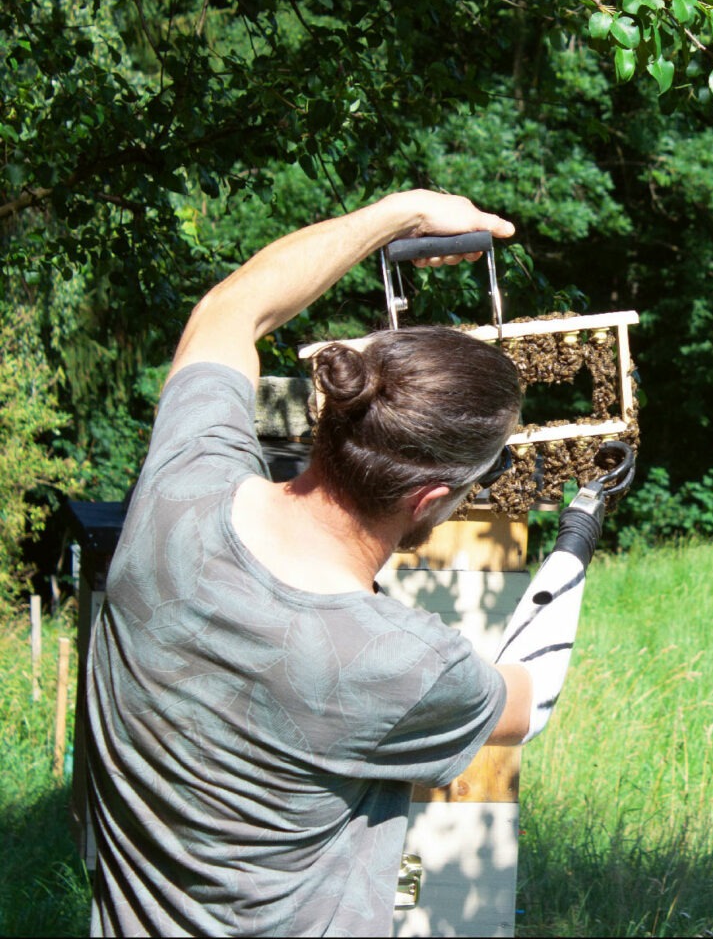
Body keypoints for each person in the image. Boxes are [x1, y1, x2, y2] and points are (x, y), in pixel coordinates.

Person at [85, 190, 536, 937]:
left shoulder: (176, 496)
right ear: (428, 499)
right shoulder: (402, 663)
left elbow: (233, 308)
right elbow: (523, 702)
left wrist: (400, 212)